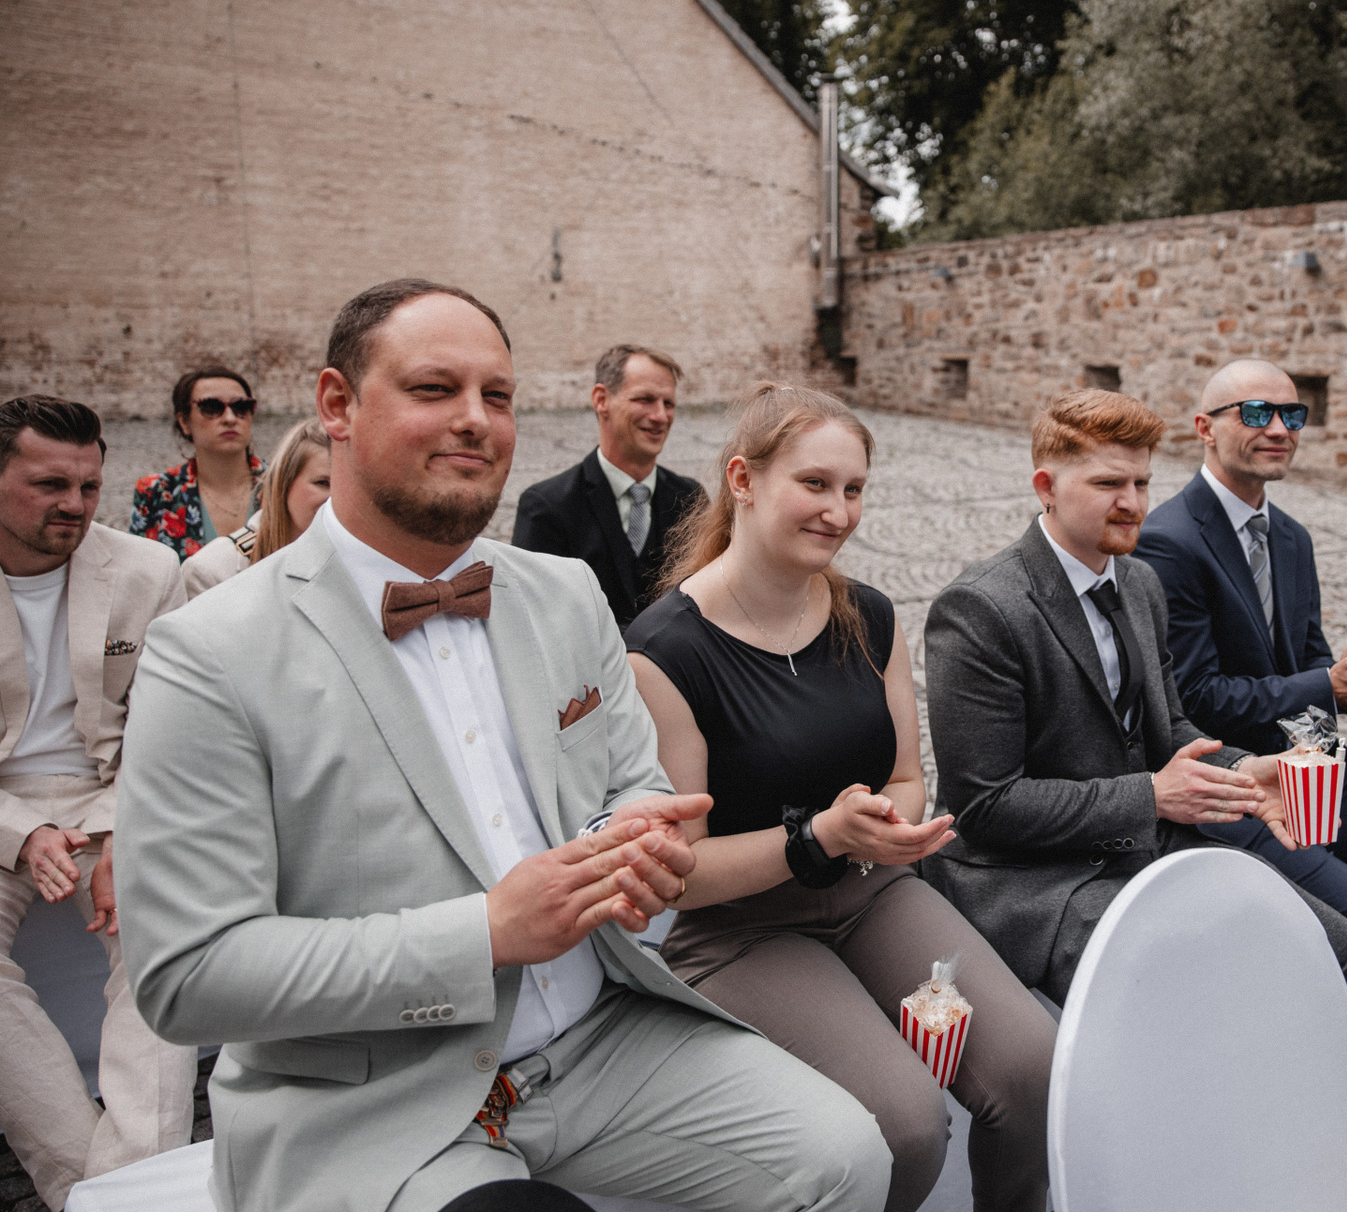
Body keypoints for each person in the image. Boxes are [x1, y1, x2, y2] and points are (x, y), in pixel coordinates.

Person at [116, 280, 889, 1212]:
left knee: (850, 1155)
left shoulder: (565, 595)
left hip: (605, 1041)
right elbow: (189, 975)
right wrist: (483, 933)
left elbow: (632, 784)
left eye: (499, 396)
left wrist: (634, 837)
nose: (476, 420)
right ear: (336, 405)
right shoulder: (209, 650)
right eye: (434, 389)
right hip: (373, 1095)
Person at [626, 384, 1056, 1212]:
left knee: (1032, 1067)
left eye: (854, 488)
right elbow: (680, 874)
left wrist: (888, 829)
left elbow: (906, 778)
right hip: (742, 931)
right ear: (743, 481)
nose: (840, 511)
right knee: (905, 1126)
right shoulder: (664, 652)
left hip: (874, 893)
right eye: (815, 484)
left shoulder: (870, 616)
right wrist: (819, 836)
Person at [919, 388, 1347, 1014]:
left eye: (1141, 483)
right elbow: (985, 808)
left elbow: (1170, 727)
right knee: (1209, 991)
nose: (1132, 503)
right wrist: (1152, 796)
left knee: (1342, 953)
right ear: (1046, 487)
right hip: (1032, 880)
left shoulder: (1139, 582)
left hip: (1143, 847)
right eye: (1108, 483)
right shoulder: (980, 608)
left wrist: (1242, 771)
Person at [1133, 357, 1347, 1156]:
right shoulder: (1169, 540)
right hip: (1231, 779)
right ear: (1205, 428)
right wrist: (1323, 686)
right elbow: (1197, 701)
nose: (1278, 428)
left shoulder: (1290, 538)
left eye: (1292, 415)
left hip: (1312, 767)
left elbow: (1309, 661)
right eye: (1256, 412)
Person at [0, 394, 198, 1210]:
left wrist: (121, 830)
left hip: (114, 792)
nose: (75, 505)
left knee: (162, 930)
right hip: (4, 807)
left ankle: (131, 1184)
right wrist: (23, 832)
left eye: (88, 486)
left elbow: (171, 725)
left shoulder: (147, 571)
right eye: (50, 485)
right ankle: (101, 1188)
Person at [513, 345, 705, 629]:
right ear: (601, 400)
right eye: (645, 399)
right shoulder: (547, 507)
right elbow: (535, 620)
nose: (660, 416)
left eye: (669, 404)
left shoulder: (690, 500)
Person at [182, 417, 331, 597]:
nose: (336, 498)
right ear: (284, 482)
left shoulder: (358, 560)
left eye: (351, 485)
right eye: (323, 483)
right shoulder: (213, 570)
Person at [129, 367, 263, 561]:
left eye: (241, 407)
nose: (230, 418)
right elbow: (142, 569)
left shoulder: (284, 483)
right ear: (184, 422)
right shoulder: (157, 492)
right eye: (211, 407)